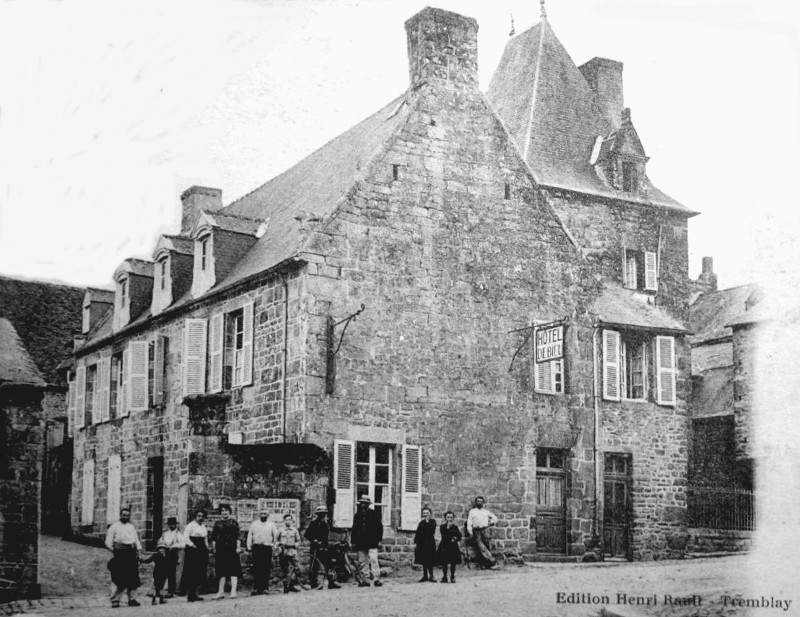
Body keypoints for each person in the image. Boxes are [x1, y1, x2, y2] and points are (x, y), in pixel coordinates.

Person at [105, 507, 142, 608]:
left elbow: (136, 541)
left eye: (127, 515)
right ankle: (115, 600)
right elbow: (108, 542)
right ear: (120, 515)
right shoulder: (114, 526)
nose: (125, 517)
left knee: (133, 577)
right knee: (119, 577)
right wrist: (115, 551)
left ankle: (132, 599)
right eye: (124, 515)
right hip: (120, 553)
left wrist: (138, 552)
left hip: (131, 553)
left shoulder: (131, 527)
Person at [304, 505, 341, 590]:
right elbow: (307, 535)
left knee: (328, 565)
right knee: (314, 566)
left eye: (324, 514)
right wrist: (314, 540)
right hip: (315, 548)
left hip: (324, 547)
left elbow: (325, 537)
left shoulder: (325, 524)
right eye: (321, 514)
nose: (322, 515)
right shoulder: (313, 523)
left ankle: (331, 583)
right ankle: (314, 584)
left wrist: (325, 544)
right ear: (318, 514)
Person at [210, 504, 242, 599]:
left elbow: (238, 537)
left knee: (233, 570)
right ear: (220, 512)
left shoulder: (234, 522)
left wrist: (238, 547)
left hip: (232, 549)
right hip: (221, 549)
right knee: (221, 571)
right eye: (223, 510)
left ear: (229, 512)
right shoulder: (217, 523)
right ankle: (221, 591)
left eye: (226, 510)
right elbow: (214, 538)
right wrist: (214, 548)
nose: (224, 512)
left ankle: (233, 591)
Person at [351, 495, 383, 587]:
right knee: (362, 561)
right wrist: (353, 541)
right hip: (361, 541)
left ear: (368, 504)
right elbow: (354, 529)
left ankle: (377, 578)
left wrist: (379, 540)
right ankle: (366, 579)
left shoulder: (374, 513)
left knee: (373, 559)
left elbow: (379, 528)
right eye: (362, 503)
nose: (363, 505)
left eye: (365, 503)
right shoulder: (357, 515)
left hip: (372, 541)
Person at [246, 507, 277, 595]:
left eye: (265, 514)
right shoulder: (254, 524)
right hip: (256, 548)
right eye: (262, 513)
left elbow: (275, 537)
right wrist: (249, 547)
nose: (263, 515)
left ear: (268, 515)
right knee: (256, 568)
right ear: (259, 515)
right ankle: (256, 588)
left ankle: (265, 588)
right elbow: (250, 536)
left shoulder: (272, 525)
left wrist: (274, 547)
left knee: (266, 568)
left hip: (267, 548)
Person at [182, 509, 210, 602]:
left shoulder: (203, 527)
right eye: (199, 516)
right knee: (191, 571)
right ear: (195, 516)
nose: (200, 518)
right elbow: (185, 537)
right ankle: (190, 595)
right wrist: (192, 545)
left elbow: (205, 538)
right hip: (193, 549)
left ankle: (195, 594)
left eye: (202, 516)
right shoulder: (190, 525)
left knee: (199, 571)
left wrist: (206, 547)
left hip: (201, 549)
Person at [465, 496, 499, 569]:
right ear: (476, 502)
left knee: (487, 546)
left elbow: (495, 518)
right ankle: (493, 562)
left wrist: (490, 523)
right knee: (482, 547)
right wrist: (470, 532)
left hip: (485, 530)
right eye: (478, 501)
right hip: (477, 531)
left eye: (481, 501)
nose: (479, 502)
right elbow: (469, 523)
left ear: (483, 503)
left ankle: (486, 564)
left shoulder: (485, 511)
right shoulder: (472, 511)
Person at [275, 513, 302, 593]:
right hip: (283, 551)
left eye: (289, 520)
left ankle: (292, 584)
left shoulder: (294, 530)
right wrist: (277, 547)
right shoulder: (280, 530)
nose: (288, 521)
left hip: (292, 551)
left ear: (292, 521)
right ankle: (286, 587)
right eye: (286, 520)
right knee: (284, 570)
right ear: (284, 521)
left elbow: (299, 541)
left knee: (297, 568)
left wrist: (295, 545)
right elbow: (276, 540)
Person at [158, 516, 183, 598]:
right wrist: (162, 545)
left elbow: (182, 544)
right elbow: (160, 542)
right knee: (162, 572)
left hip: (173, 554)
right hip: (165, 554)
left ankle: (171, 591)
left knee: (171, 573)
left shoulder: (178, 534)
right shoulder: (165, 533)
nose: (171, 526)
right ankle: (159, 590)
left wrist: (174, 546)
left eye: (173, 524)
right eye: (170, 524)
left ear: (176, 525)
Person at [436, 511, 462, 583]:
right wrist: (450, 531)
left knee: (453, 562)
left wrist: (455, 538)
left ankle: (452, 576)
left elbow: (459, 536)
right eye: (448, 517)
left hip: (453, 547)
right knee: (444, 562)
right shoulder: (442, 526)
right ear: (445, 518)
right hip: (444, 546)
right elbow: (445, 535)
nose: (449, 519)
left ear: (453, 518)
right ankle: (444, 576)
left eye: (451, 517)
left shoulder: (455, 527)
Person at [413, 507, 437, 583]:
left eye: (427, 513)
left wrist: (427, 522)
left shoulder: (433, 522)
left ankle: (432, 576)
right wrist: (416, 542)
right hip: (422, 544)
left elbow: (431, 531)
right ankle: (425, 576)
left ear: (430, 514)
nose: (425, 515)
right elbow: (418, 533)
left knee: (430, 559)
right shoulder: (421, 523)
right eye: (424, 513)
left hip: (430, 543)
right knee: (423, 560)